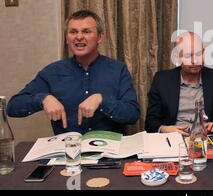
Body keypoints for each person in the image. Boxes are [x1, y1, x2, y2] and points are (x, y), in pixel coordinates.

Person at [7, 10, 140, 134]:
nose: (79, 37)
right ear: (67, 38)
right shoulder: (52, 72)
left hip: (110, 155)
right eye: (73, 32)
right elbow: (13, 107)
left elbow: (133, 115)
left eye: (86, 31)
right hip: (67, 154)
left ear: (100, 37)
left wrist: (102, 100)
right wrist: (43, 99)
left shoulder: (118, 70)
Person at [145, 32, 213, 136]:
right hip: (174, 141)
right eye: (188, 55)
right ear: (177, 57)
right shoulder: (162, 80)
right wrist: (165, 129)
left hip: (207, 141)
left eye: (199, 54)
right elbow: (150, 122)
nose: (194, 61)